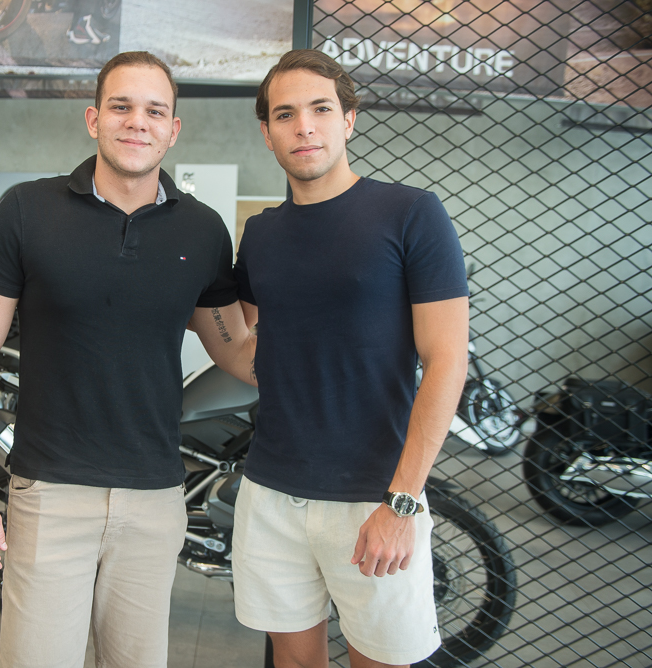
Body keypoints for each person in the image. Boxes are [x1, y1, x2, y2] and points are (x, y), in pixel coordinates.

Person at [0, 51, 256, 668]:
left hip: (154, 497)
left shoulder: (202, 231)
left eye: (155, 111)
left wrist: (330, 320)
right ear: (94, 119)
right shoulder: (26, 210)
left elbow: (238, 352)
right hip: (49, 491)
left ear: (173, 129)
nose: (137, 121)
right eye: (121, 106)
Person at [232, 49, 470, 668]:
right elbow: (246, 337)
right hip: (271, 491)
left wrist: (402, 502)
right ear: (267, 133)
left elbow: (447, 360)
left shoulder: (411, 213)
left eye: (320, 109)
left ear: (349, 120)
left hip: (375, 495)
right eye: (285, 114)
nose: (304, 127)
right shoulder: (261, 234)